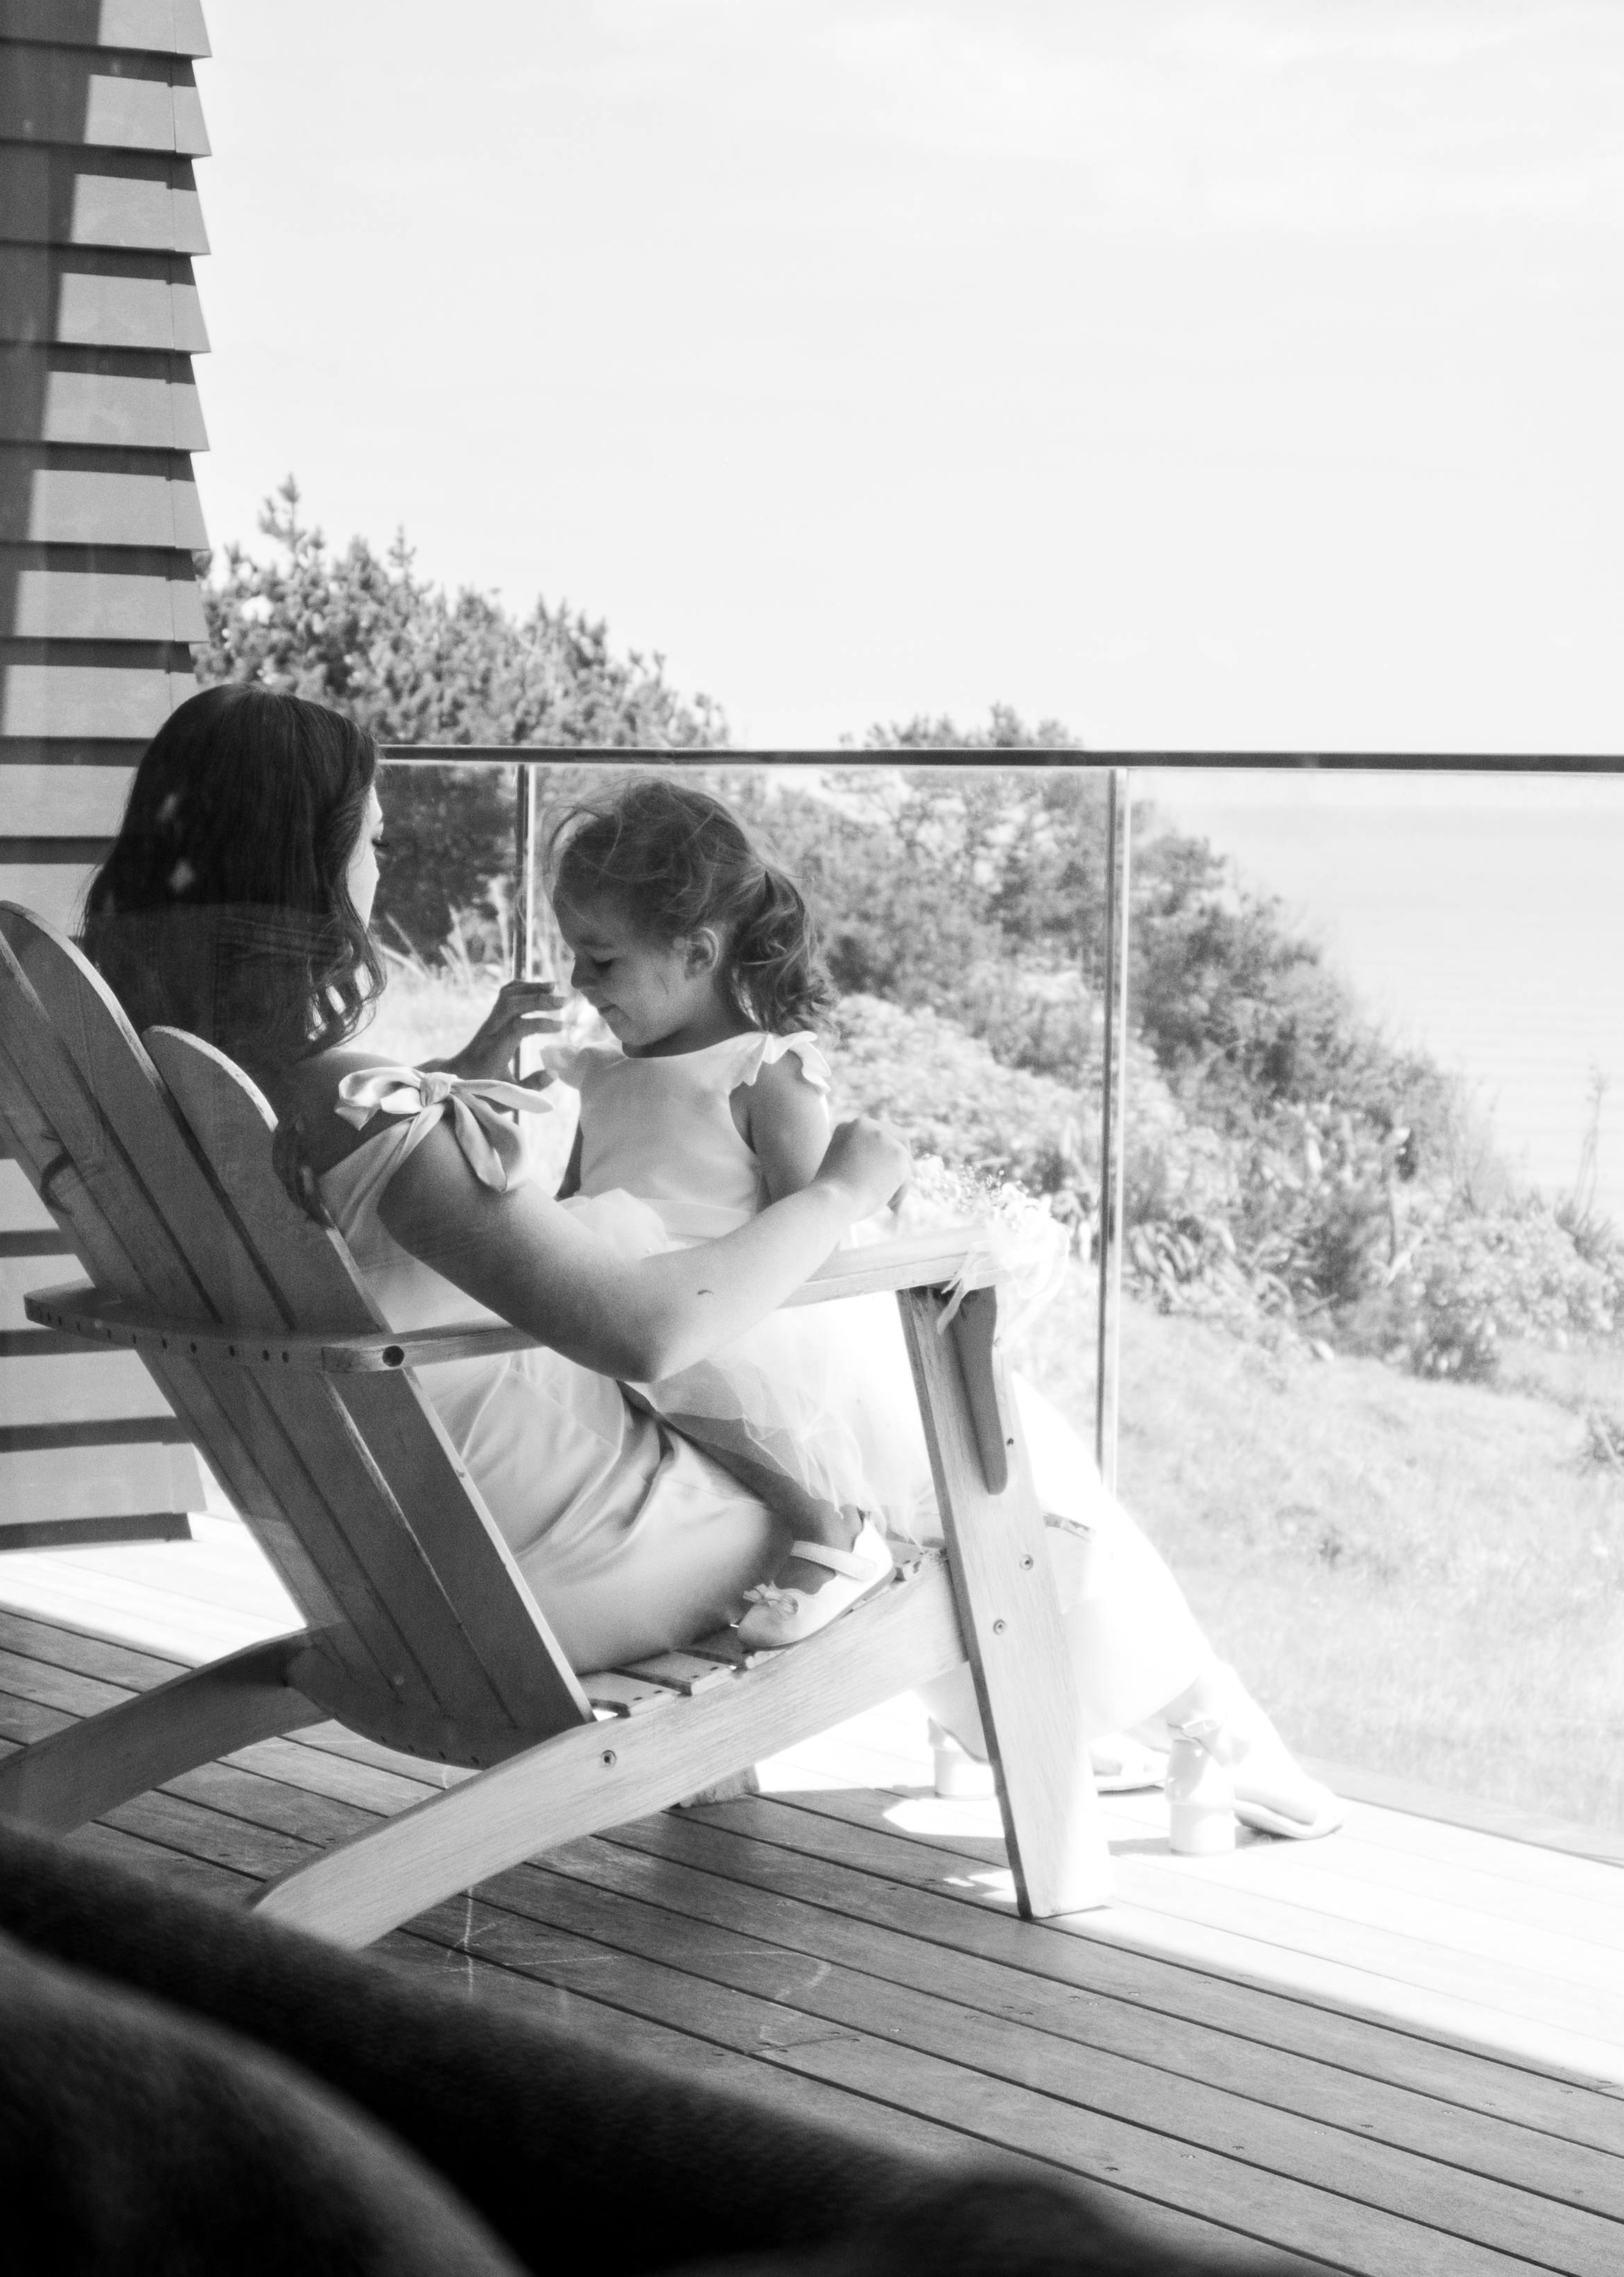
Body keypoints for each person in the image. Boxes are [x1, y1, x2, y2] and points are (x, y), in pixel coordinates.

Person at [80, 684, 1341, 1839]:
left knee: (923, 1456)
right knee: (979, 1484)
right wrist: (845, 1187)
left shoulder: (203, 1096)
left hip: (397, 1560)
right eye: (372, 835)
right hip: (558, 1568)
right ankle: (1156, 1726)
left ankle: (1103, 1724)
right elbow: (646, 1329)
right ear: (308, 865)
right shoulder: (370, 1116)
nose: (383, 859)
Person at [538, 780, 904, 1651]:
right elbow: (571, 1202)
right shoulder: (606, 1075)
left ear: (697, 952)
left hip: (732, 1311)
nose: (579, 981)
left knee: (684, 1372)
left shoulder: (763, 1071)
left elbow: (810, 1233)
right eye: (575, 956)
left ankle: (835, 1529)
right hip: (623, 1299)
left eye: (602, 960)